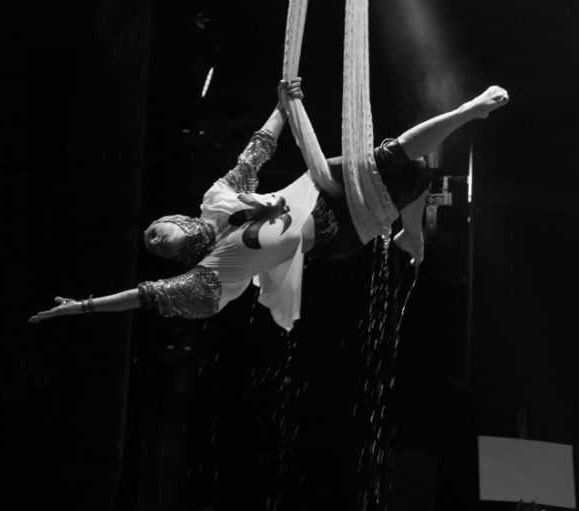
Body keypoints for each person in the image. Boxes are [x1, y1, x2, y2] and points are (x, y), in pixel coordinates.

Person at [29, 79, 508, 330]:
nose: (152, 238)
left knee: (392, 158)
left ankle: (468, 112)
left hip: (318, 187)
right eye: (154, 246)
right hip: (335, 233)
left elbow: (255, 151)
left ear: (175, 218)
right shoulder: (207, 276)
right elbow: (145, 296)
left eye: (153, 229)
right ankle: (412, 235)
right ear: (174, 255)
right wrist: (83, 307)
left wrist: (283, 108)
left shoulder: (217, 200)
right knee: (415, 176)